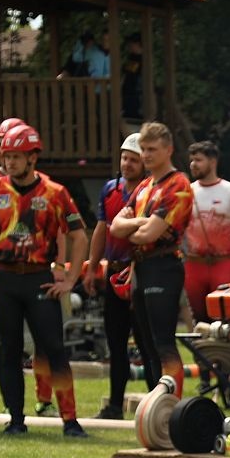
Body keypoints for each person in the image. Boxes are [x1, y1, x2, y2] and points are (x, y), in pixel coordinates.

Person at [0, 122, 89, 436]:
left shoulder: (55, 192)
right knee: (9, 350)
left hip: (40, 279)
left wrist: (70, 279)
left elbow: (79, 236)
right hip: (3, 280)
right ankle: (16, 419)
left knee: (54, 348)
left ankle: (70, 421)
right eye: (7, 156)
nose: (10, 161)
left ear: (32, 158)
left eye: (17, 156)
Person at [110, 120, 193, 396]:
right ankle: (156, 402)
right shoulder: (145, 185)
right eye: (143, 149)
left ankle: (172, 402)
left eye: (152, 149)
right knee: (145, 344)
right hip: (141, 267)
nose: (146, 155)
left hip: (164, 265)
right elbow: (115, 227)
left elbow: (148, 234)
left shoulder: (178, 184)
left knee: (163, 342)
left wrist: (135, 227)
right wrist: (141, 223)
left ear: (168, 150)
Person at [81, 132, 151, 420]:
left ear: (144, 163)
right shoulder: (110, 189)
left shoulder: (151, 191)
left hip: (142, 272)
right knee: (116, 342)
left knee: (147, 343)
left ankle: (159, 406)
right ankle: (114, 406)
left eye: (133, 160)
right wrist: (92, 268)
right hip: (114, 273)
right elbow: (102, 229)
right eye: (124, 158)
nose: (127, 164)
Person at [183, 140, 230, 330]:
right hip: (194, 264)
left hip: (224, 263)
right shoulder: (186, 191)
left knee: (225, 318)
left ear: (212, 161)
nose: (193, 164)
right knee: (197, 319)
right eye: (191, 160)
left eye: (198, 160)